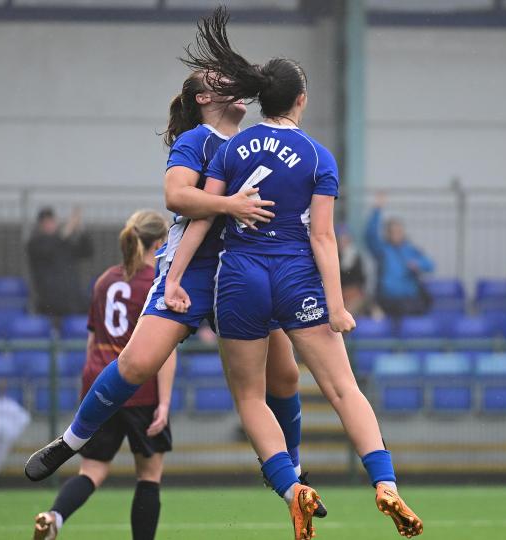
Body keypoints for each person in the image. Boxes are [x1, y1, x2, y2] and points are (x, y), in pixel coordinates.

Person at [161, 8, 423, 539]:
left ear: (262, 99)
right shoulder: (317, 156)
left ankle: (292, 488)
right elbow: (324, 238)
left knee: (251, 397)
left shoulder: (230, 147)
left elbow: (201, 215)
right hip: (297, 276)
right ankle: (386, 485)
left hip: (240, 277)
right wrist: (338, 305)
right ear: (300, 99)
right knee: (343, 388)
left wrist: (173, 276)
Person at [24, 66, 318, 518]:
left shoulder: (254, 141)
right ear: (202, 99)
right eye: (218, 82)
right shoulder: (197, 140)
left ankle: (294, 478)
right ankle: (71, 441)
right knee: (138, 362)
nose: (232, 87)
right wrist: (229, 204)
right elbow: (176, 196)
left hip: (243, 272)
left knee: (286, 378)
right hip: (193, 270)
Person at [33, 210, 174, 540]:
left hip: (101, 386)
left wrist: (91, 391)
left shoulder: (105, 280)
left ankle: (55, 517)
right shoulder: (157, 284)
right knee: (149, 474)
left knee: (92, 470)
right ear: (158, 243)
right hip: (141, 392)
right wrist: (164, 404)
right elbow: (164, 353)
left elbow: (92, 340)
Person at [366, 193, 435, 319]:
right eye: (394, 231)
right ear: (388, 233)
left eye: (400, 231)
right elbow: (370, 235)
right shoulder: (382, 250)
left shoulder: (411, 250)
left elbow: (430, 265)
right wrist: (377, 210)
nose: (398, 234)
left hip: (410, 299)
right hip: (388, 299)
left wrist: (418, 264)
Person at [26, 206, 94, 317]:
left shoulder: (64, 243)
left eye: (51, 221)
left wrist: (80, 229)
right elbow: (50, 247)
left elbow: (87, 252)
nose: (49, 225)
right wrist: (68, 228)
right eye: (45, 222)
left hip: (72, 298)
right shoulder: (35, 243)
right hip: (48, 301)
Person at [337, 223, 368, 316]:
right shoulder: (334, 256)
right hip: (338, 294)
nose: (343, 242)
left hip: (353, 293)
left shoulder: (356, 257)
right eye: (341, 239)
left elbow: (361, 279)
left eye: (346, 239)